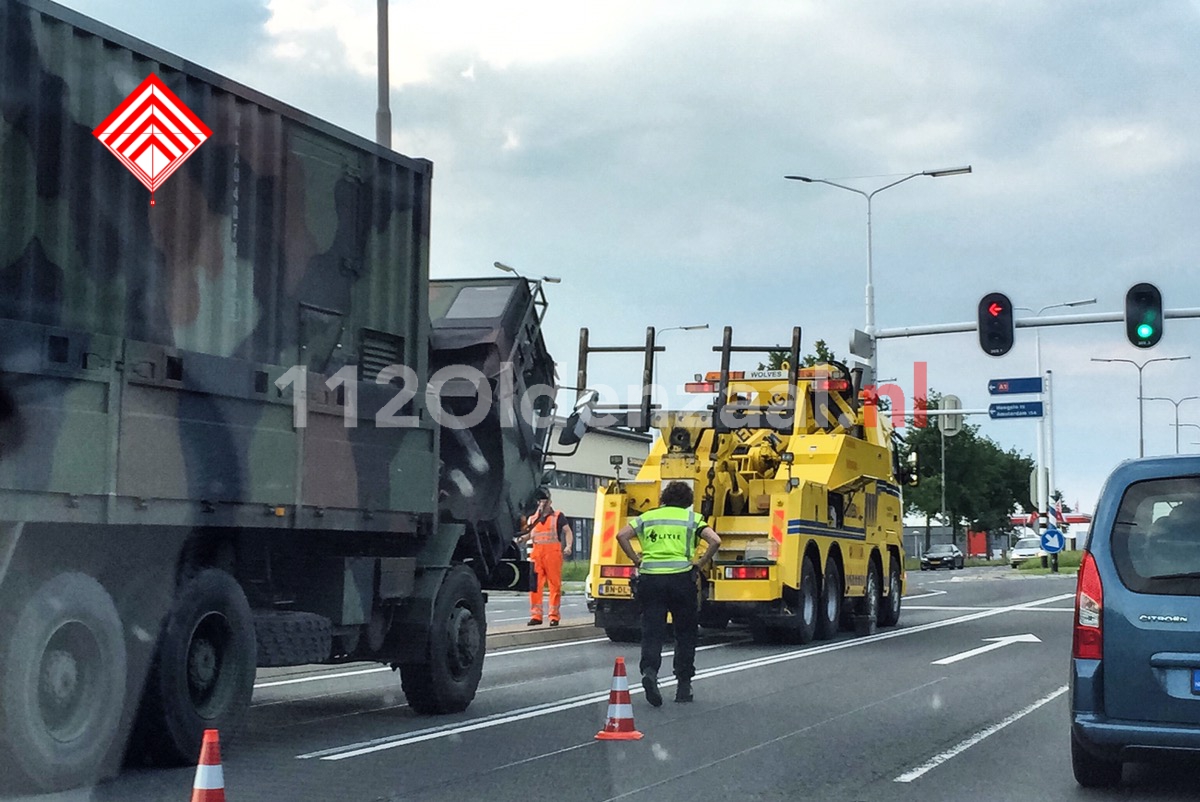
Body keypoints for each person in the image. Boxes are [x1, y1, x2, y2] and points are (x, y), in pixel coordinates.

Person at [615, 481, 720, 706]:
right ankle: (683, 685)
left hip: (651, 580)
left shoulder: (648, 517)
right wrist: (700, 564)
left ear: (664, 497)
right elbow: (715, 540)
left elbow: (622, 535)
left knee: (652, 630)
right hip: (681, 580)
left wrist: (636, 560)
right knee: (685, 632)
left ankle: (650, 672)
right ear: (688, 501)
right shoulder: (692, 519)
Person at [519, 487, 573, 626]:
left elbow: (567, 531)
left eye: (545, 501)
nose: (543, 504)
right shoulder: (532, 519)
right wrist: (522, 539)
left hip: (552, 554)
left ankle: (554, 616)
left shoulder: (558, 516)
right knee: (535, 586)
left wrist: (568, 546)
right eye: (541, 501)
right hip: (536, 555)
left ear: (550, 502)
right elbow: (529, 534)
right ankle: (536, 616)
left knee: (554, 586)